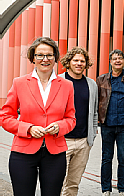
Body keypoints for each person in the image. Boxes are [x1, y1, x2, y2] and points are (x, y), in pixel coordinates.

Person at [1, 37, 76, 196]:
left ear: (55, 58)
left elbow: (71, 119)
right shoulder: (19, 83)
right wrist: (28, 128)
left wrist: (59, 127)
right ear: (32, 58)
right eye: (40, 55)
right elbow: (5, 117)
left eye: (49, 55)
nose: (45, 59)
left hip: (55, 154)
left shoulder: (67, 86)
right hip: (23, 152)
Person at [59, 47, 98, 196]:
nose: (79, 63)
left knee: (73, 184)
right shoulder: (58, 81)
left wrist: (92, 136)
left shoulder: (91, 84)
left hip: (83, 142)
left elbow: (94, 112)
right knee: (57, 181)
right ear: (68, 62)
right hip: (62, 140)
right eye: (75, 60)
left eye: (82, 61)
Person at [96, 49, 124, 196]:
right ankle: (106, 189)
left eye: (120, 58)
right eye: (115, 59)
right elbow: (96, 102)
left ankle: (122, 188)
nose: (118, 61)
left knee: (123, 158)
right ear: (110, 62)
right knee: (106, 158)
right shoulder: (101, 80)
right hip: (107, 125)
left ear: (123, 61)